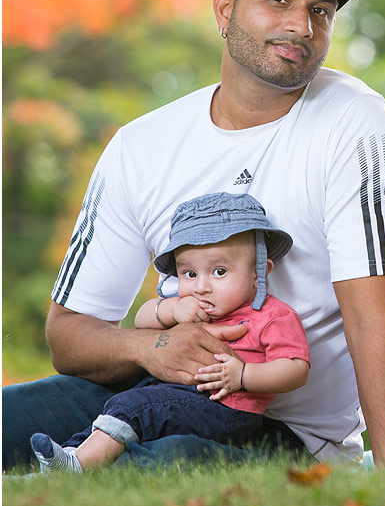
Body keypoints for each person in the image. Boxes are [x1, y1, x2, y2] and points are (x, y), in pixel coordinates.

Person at [4, 0, 385, 471]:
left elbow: (375, 318)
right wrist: (154, 349)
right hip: (147, 390)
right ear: (225, 11)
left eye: (321, 10)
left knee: (157, 466)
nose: (302, 24)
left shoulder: (353, 119)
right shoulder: (140, 146)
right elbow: (68, 336)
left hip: (281, 427)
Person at [30, 192, 310, 474]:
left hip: (228, 409)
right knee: (118, 406)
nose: (201, 286)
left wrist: (243, 375)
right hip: (175, 393)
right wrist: (172, 310)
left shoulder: (272, 316)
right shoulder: (186, 306)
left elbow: (296, 368)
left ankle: (81, 465)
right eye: (189, 274)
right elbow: (141, 319)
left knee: (136, 407)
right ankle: (69, 457)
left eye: (220, 271)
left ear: (257, 273)